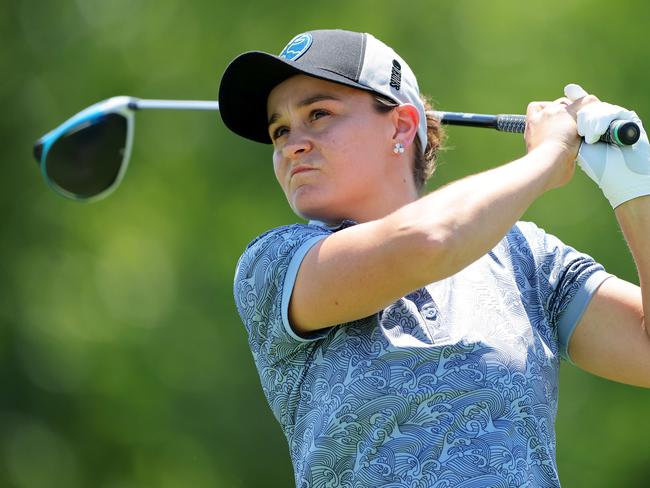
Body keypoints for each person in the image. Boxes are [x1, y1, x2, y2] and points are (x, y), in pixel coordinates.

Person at [218, 29, 650, 487]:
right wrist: (548, 155)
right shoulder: (274, 264)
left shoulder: (526, 256)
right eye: (279, 129)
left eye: (318, 114)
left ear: (401, 126)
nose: (291, 144)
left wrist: (634, 188)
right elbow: (429, 241)